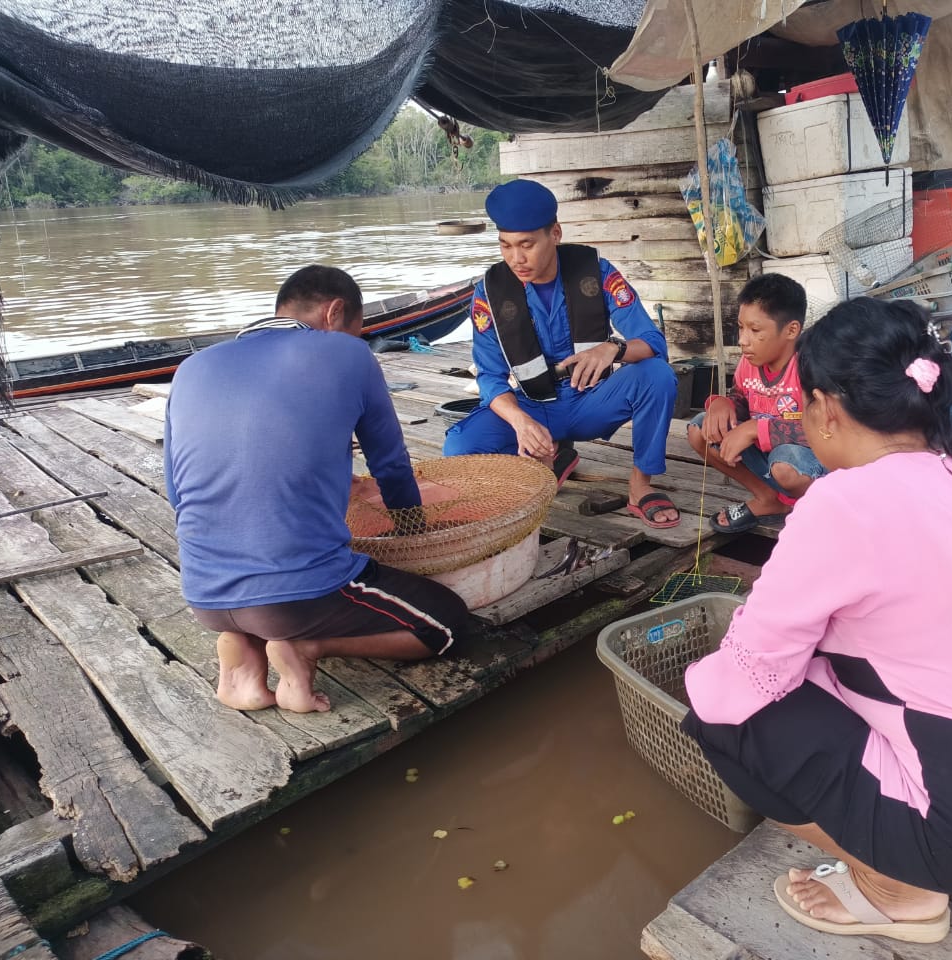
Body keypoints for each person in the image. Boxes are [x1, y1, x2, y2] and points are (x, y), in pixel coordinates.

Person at [680, 297, 952, 944]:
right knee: (817, 668)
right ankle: (906, 833)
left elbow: (745, 676)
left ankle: (896, 889)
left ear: (823, 407)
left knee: (718, 717)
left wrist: (708, 677)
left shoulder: (843, 501)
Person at [165, 265, 468, 714]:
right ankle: (307, 649)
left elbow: (176, 490)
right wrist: (414, 530)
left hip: (204, 593)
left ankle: (245, 663)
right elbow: (390, 465)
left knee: (258, 595)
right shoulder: (347, 355)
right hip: (297, 599)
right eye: (357, 331)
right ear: (335, 313)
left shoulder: (193, 366)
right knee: (449, 624)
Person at [442, 178, 681, 529]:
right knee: (459, 447)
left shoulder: (596, 272)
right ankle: (551, 458)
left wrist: (613, 348)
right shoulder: (489, 293)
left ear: (555, 233)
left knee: (658, 375)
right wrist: (521, 423)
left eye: (527, 244)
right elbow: (490, 378)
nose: (516, 259)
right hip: (532, 407)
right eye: (505, 246)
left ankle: (640, 488)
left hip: (591, 402)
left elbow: (652, 341)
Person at [686, 274, 824, 534]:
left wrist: (753, 429)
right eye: (741, 327)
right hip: (770, 458)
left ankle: (819, 510)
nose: (742, 340)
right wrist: (722, 403)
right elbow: (742, 397)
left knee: (786, 464)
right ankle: (768, 500)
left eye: (755, 330)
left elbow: (827, 428)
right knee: (701, 429)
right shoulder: (749, 363)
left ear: (791, 330)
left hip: (807, 464)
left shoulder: (811, 367)